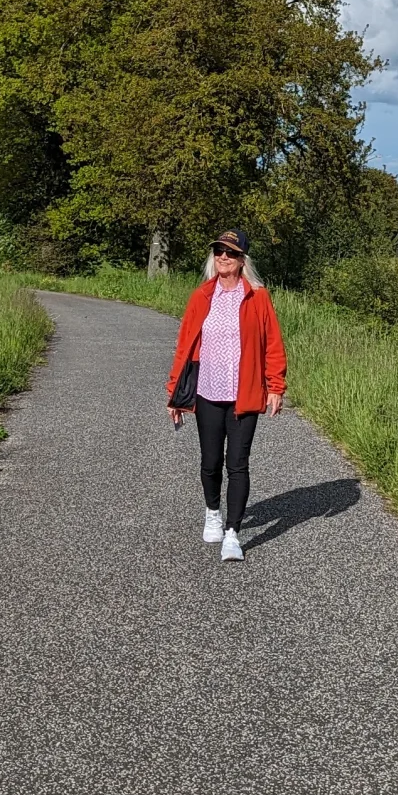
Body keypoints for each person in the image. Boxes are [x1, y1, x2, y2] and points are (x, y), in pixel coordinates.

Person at [167, 228, 287, 562]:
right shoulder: (202, 296)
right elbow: (184, 347)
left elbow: (273, 344)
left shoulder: (257, 296)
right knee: (210, 462)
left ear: (242, 260)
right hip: (207, 391)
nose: (223, 257)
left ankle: (233, 532)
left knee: (238, 463)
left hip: (244, 394)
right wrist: (174, 393)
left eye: (231, 253)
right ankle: (212, 513)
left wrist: (275, 385)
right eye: (219, 251)